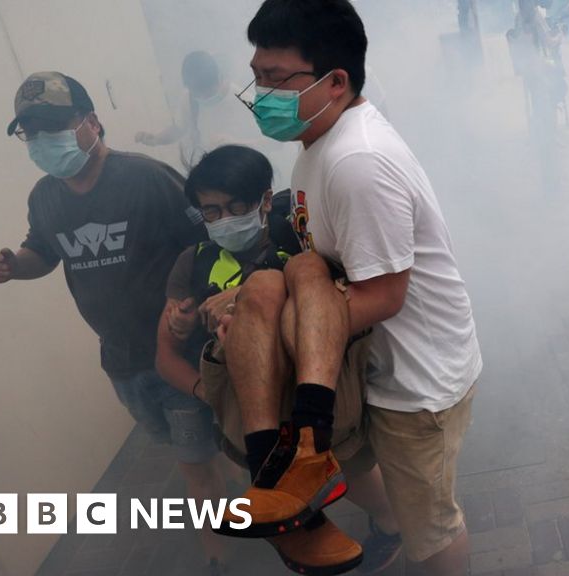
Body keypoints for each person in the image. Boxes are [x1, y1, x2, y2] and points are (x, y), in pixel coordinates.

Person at [214, 1, 484, 574]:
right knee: (269, 286)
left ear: (335, 82)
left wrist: (279, 333)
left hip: (414, 383)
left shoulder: (357, 161)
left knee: (431, 531)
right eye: (256, 77)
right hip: (366, 367)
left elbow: (386, 296)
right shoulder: (319, 144)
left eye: (275, 79)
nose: (260, 94)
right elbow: (328, 264)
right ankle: (289, 485)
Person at [0, 72, 227, 575]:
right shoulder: (45, 198)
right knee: (189, 450)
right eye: (31, 133)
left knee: (195, 464)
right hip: (120, 362)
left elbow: (205, 243)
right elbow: (42, 253)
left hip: (176, 354)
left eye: (55, 126)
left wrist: (192, 301)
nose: (43, 141)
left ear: (91, 122)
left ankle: (219, 557)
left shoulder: (145, 178)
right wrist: (12, 264)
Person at [155, 144, 368, 575]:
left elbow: (349, 290)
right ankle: (272, 479)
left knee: (293, 274)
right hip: (249, 402)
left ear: (266, 201)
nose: (223, 220)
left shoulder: (301, 237)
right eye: (210, 212)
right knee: (269, 285)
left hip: (315, 384)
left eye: (235, 207)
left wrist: (247, 290)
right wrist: (201, 382)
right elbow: (164, 353)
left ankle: (307, 460)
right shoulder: (194, 263)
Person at [134, 51, 289, 177]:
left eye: (208, 93)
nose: (202, 98)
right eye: (197, 94)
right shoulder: (189, 98)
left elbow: (277, 140)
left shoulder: (244, 99)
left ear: (220, 78)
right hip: (213, 174)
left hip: (246, 172)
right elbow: (179, 128)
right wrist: (156, 139)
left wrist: (237, 144)